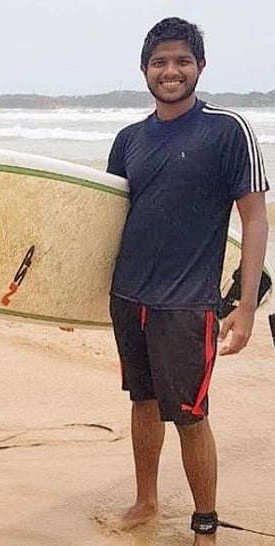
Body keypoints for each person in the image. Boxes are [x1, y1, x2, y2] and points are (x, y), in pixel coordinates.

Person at [106, 17, 268, 545]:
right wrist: (71, 299)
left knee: (190, 415)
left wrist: (246, 306)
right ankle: (146, 500)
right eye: (160, 61)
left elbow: (254, 218)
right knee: (142, 400)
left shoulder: (227, 130)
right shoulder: (129, 140)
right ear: (144, 70)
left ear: (200, 66)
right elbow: (105, 222)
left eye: (181, 60)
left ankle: (205, 523)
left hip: (187, 304)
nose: (170, 71)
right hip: (129, 296)